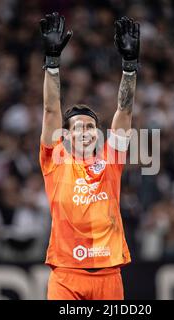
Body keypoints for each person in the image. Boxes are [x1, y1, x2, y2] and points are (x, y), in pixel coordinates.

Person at [38, 12, 139, 300]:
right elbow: (50, 111)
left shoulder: (111, 159)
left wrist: (129, 68)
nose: (85, 131)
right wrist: (52, 64)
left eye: (91, 127)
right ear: (65, 136)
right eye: (78, 127)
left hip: (109, 275)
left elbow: (125, 111)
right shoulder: (55, 161)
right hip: (66, 276)